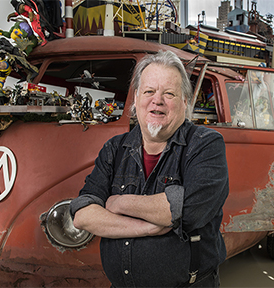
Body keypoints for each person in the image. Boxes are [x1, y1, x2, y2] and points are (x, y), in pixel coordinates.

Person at [69, 50, 229, 287]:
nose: (157, 100)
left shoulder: (205, 145)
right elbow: (82, 214)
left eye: (169, 94)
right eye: (149, 92)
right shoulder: (115, 149)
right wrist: (146, 227)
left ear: (185, 102)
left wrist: (118, 202)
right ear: (135, 101)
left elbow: (188, 210)